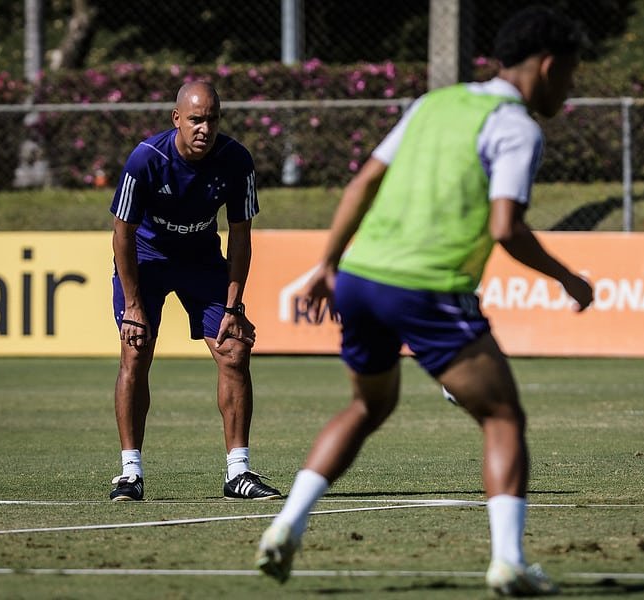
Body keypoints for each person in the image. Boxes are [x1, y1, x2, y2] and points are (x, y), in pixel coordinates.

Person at [255, 5, 593, 596]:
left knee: (367, 407)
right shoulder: (517, 128)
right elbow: (506, 228)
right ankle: (509, 561)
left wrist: (327, 263)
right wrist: (568, 278)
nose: (569, 88)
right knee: (502, 416)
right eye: (569, 73)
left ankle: (287, 524)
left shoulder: (433, 103)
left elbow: (364, 181)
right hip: (426, 287)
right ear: (547, 66)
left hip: (361, 278)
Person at [108, 81, 281, 502]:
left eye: (213, 120)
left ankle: (238, 472)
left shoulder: (236, 160)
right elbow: (122, 234)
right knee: (135, 352)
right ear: (177, 119)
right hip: (147, 259)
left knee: (234, 350)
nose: (205, 128)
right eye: (196, 119)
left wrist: (234, 306)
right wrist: (133, 305)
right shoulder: (146, 159)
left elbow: (240, 236)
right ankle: (130, 473)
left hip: (201, 260)